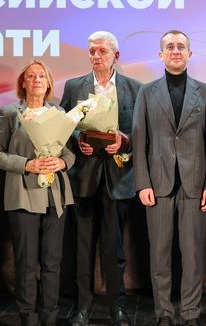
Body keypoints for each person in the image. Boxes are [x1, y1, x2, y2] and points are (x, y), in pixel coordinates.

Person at [132, 29, 206, 326]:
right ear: (161, 55)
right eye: (169, 47)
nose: (175, 51)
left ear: (189, 53)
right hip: (157, 184)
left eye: (181, 46)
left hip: (195, 184)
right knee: (159, 254)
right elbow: (139, 140)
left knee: (192, 255)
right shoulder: (147, 92)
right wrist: (142, 183)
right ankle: (164, 313)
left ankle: (191, 313)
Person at [61, 31, 142, 326]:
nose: (96, 56)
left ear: (116, 56)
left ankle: (117, 308)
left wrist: (125, 141)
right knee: (83, 248)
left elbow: (141, 131)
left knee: (114, 249)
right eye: (92, 51)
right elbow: (64, 124)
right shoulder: (74, 86)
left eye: (102, 51)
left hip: (118, 178)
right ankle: (82, 308)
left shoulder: (135, 88)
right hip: (84, 178)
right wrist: (78, 139)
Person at [0, 59, 75, 326]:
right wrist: (26, 164)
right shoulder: (10, 113)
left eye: (42, 76)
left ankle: (49, 318)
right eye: (31, 76)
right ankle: (28, 319)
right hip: (23, 194)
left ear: (48, 84)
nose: (37, 80)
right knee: (26, 263)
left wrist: (62, 163)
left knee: (52, 263)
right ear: (23, 83)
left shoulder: (59, 112)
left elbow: (69, 153)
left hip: (55, 195)